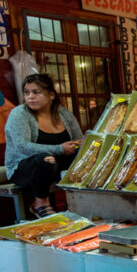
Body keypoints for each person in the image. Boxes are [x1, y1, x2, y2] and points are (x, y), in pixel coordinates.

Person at [5, 74, 83, 217]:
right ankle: (40, 203)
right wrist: (59, 149)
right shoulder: (19, 114)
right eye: (27, 92)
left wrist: (77, 146)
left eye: (36, 92)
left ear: (51, 95)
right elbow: (23, 146)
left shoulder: (64, 114)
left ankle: (81, 201)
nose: (30, 97)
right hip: (25, 167)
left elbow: (80, 140)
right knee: (46, 159)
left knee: (83, 157)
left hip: (57, 165)